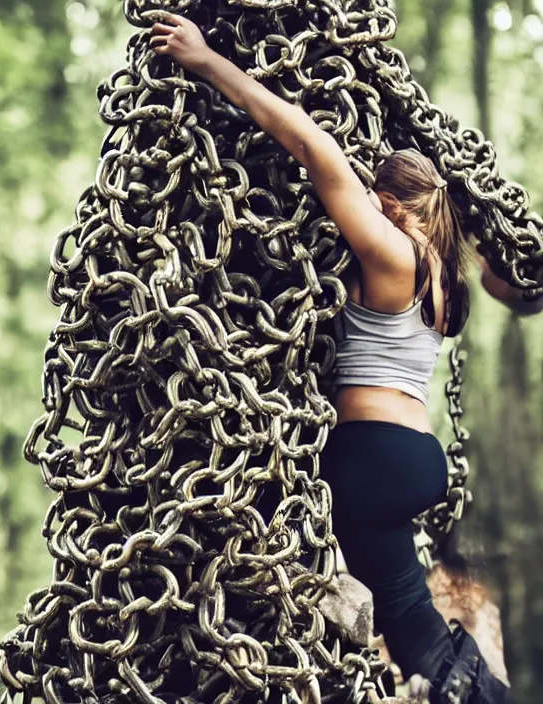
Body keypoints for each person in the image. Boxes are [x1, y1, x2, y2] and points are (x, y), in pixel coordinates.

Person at [149, 12, 518, 703]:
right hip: (409, 453)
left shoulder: (389, 253)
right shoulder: (441, 274)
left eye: (374, 203)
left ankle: (469, 694)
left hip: (371, 459)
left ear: (390, 205)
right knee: (404, 609)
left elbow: (309, 143)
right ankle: (459, 681)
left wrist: (205, 62)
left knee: (394, 619)